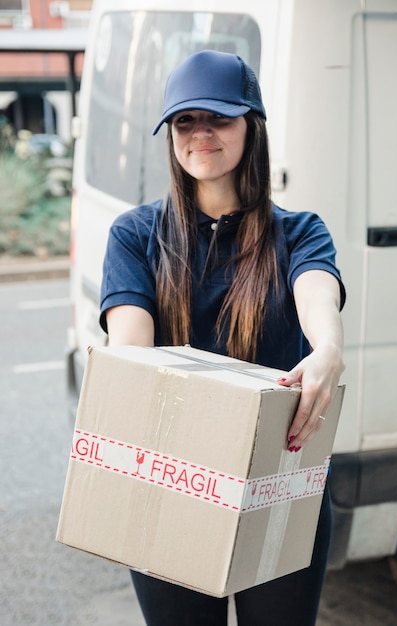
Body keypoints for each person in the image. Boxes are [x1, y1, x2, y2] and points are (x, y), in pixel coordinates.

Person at [100, 50, 345, 626]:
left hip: (277, 486)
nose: (201, 132)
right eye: (185, 120)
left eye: (219, 117)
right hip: (168, 485)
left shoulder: (300, 232)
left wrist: (327, 349)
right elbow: (131, 352)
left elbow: (317, 296)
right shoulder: (136, 235)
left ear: (250, 127)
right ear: (170, 135)